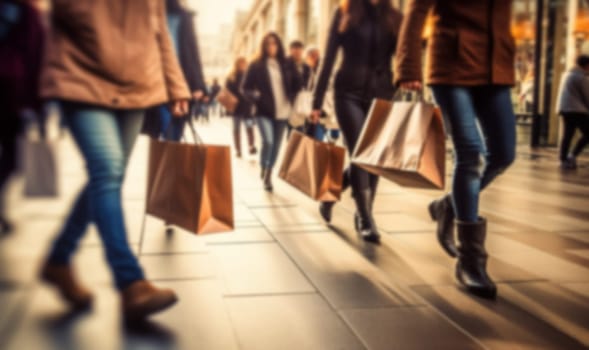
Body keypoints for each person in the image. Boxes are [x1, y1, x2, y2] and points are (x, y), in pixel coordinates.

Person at [39, 0, 191, 320]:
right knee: (107, 170)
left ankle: (58, 259)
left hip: (139, 84)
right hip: (81, 75)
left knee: (109, 176)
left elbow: (160, 32)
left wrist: (177, 87)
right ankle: (130, 281)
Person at [395, 0, 517, 299]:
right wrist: (409, 66)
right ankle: (470, 261)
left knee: (503, 154)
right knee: (469, 153)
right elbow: (415, 13)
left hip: (495, 66)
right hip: (451, 64)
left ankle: (448, 205)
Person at [311, 0, 403, 244]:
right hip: (347, 94)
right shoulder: (344, 12)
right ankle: (364, 217)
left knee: (374, 159)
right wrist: (316, 101)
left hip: (381, 94)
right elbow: (328, 58)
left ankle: (330, 197)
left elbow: (403, 53)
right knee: (361, 153)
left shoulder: (393, 16)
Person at [0, 0, 45, 234]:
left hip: (13, 100)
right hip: (14, 98)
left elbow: (38, 58)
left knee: (15, 158)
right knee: (13, 158)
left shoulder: (28, 13)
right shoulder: (29, 13)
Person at [242, 32, 303, 192]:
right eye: (268, 43)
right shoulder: (256, 65)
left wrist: (298, 66)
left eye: (274, 43)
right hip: (263, 110)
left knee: (276, 146)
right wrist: (256, 96)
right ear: (264, 46)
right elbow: (245, 88)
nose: (271, 46)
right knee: (268, 141)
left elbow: (298, 84)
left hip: (283, 111)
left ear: (279, 45)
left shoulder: (287, 63)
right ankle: (264, 165)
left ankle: (268, 174)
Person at [142, 0, 206, 141]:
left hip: (180, 82)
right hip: (152, 80)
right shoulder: (145, 13)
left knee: (174, 132)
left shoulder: (184, 17)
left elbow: (193, 53)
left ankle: (166, 160)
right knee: (159, 130)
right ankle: (162, 159)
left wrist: (198, 85)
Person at [555, 55, 589, 170]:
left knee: (567, 135)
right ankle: (572, 155)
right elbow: (587, 96)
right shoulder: (581, 77)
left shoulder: (567, 74)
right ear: (586, 65)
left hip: (565, 109)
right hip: (577, 110)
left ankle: (563, 159)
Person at [226, 57, 257, 158]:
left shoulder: (249, 76)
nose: (243, 65)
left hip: (247, 106)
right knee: (236, 129)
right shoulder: (231, 77)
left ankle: (251, 146)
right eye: (240, 63)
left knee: (249, 127)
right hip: (236, 107)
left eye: (244, 63)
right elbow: (227, 91)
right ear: (236, 64)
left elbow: (254, 89)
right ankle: (238, 150)